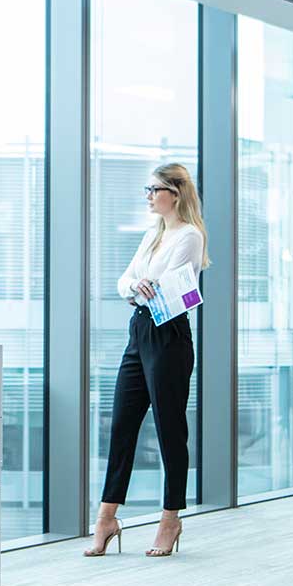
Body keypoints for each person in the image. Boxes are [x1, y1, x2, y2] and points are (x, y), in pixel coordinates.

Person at [86, 162, 207, 559]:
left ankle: (170, 518)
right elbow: (125, 281)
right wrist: (135, 288)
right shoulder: (152, 234)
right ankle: (106, 518)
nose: (149, 196)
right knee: (122, 423)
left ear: (176, 192)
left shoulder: (189, 236)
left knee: (170, 429)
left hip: (168, 336)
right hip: (139, 332)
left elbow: (164, 290)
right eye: (148, 189)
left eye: (155, 189)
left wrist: (138, 288)